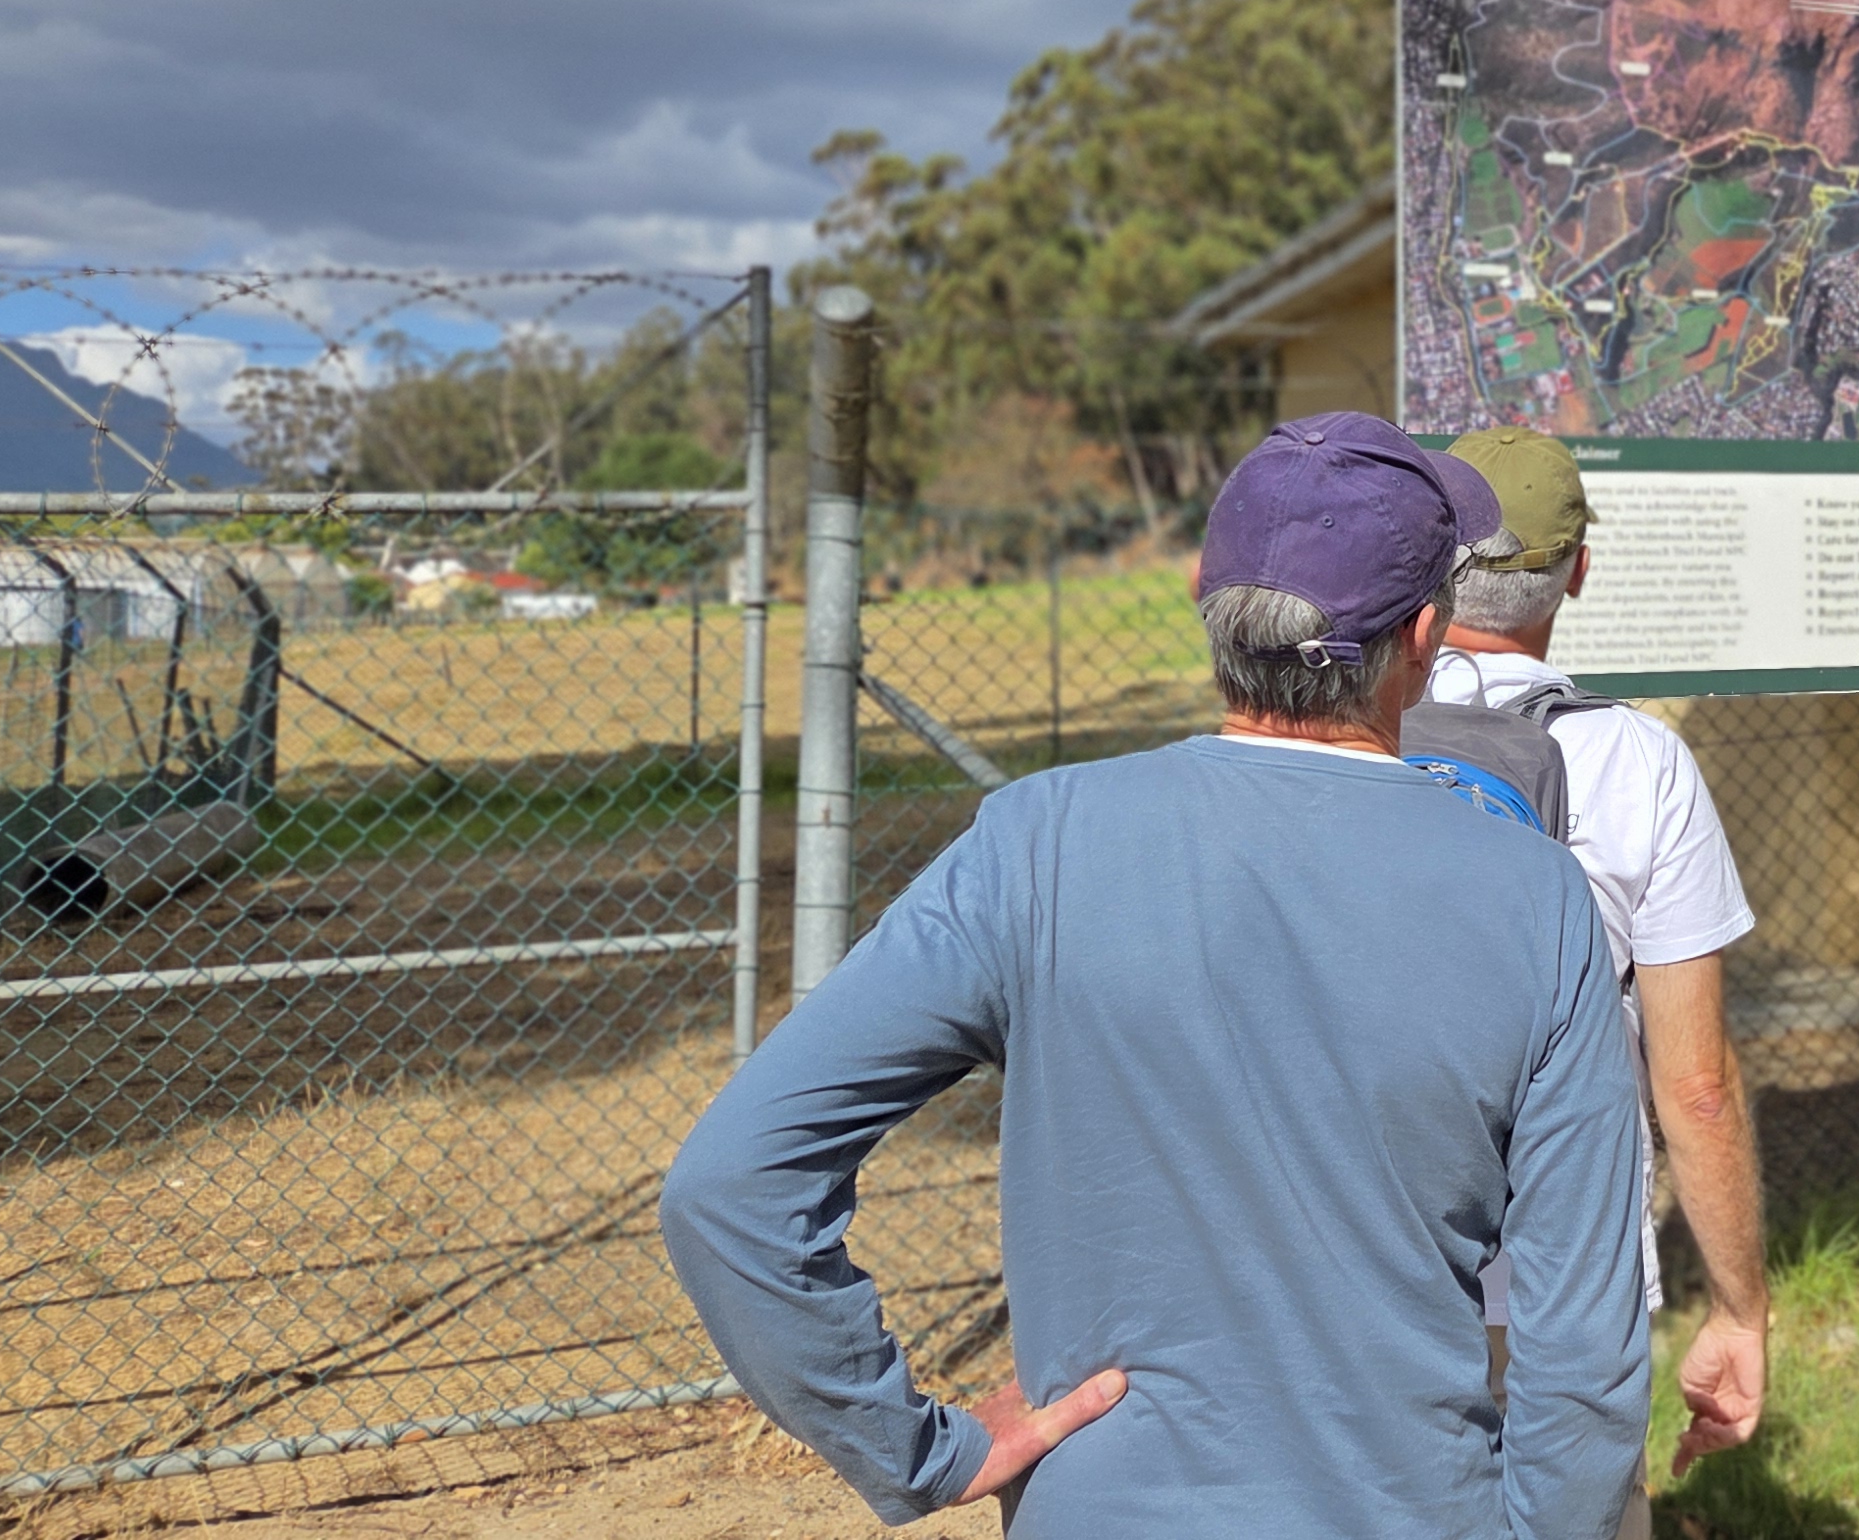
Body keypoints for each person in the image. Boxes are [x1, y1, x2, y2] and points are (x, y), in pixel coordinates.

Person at [660, 411, 1649, 1537]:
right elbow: (1585, 1351)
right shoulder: (1535, 896)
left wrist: (912, 1446)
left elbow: (731, 1189)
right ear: (1425, 634)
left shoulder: (1032, 843)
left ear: (1205, 597)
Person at [1430, 426, 1769, 1512]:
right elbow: (1696, 1083)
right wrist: (1738, 1307)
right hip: (1567, 1271)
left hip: (1372, 1260)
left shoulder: (1350, 734)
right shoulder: (1640, 762)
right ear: (1579, 568)